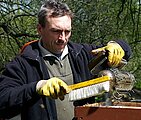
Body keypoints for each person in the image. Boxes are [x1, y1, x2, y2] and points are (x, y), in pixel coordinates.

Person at [0, 0, 132, 120]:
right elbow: (3, 98)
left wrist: (118, 46)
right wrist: (37, 87)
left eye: (67, 31)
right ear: (40, 29)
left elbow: (125, 51)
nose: (62, 38)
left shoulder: (84, 54)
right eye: (56, 31)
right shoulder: (23, 64)